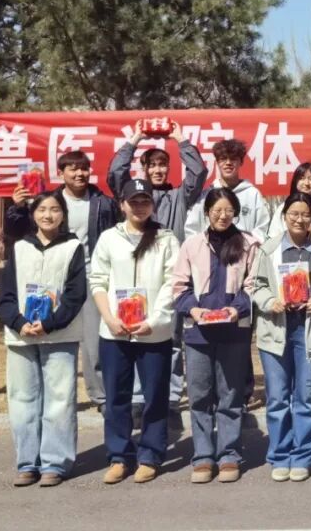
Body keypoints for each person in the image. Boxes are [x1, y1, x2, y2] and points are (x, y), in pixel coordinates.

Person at [108, 119, 208, 429]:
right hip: (137, 277)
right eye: (152, 165)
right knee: (137, 334)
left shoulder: (179, 196)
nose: (158, 170)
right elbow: (115, 174)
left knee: (172, 339)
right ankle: (139, 400)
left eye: (163, 164)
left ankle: (171, 401)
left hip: (170, 277)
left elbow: (198, 173)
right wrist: (135, 138)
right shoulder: (132, 197)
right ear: (144, 168)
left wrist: (180, 140)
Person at [5, 150, 119, 412]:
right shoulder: (48, 201)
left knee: (93, 342)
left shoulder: (103, 202)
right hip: (53, 279)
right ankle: (52, 396)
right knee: (51, 335)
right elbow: (18, 232)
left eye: (84, 168)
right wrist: (17, 207)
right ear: (61, 173)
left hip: (91, 277)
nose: (79, 173)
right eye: (73, 168)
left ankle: (100, 396)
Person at [89, 179, 179, 484]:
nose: (139, 207)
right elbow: (98, 281)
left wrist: (154, 319)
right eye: (134, 201)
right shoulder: (108, 238)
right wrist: (109, 318)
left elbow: (172, 283)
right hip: (115, 332)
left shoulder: (166, 239)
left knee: (155, 395)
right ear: (122, 205)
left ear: (152, 204)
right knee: (117, 396)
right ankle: (119, 456)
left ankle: (150, 455)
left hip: (153, 332)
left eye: (145, 201)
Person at [0, 192, 88, 487]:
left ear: (63, 215)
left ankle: (54, 464)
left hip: (60, 335)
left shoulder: (73, 247)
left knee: (59, 401)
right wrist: (19, 322)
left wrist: (49, 324)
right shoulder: (19, 247)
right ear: (33, 214)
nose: (48, 215)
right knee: (23, 400)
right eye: (42, 210)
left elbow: (76, 295)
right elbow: (6, 294)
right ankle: (27, 462)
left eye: (55, 209)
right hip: (21, 336)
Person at [172, 188, 261, 484]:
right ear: (207, 212)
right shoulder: (192, 245)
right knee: (199, 395)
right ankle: (203, 456)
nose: (223, 216)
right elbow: (179, 286)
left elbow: (253, 284)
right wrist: (193, 309)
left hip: (234, 331)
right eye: (217, 210)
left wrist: (237, 308)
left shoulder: (248, 244)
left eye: (228, 210)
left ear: (236, 212)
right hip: (198, 333)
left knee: (230, 394)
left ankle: (229, 454)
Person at [253, 192, 311, 482]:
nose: (300, 219)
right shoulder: (269, 248)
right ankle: (279, 455)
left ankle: (303, 456)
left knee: (306, 395)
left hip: (309, 328)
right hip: (276, 328)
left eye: (305, 215)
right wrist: (270, 301)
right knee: (277, 397)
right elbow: (256, 285)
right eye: (294, 214)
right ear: (284, 216)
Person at [184, 139, 270, 241]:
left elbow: (262, 229)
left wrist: (246, 245)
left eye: (233, 159)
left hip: (244, 249)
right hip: (210, 249)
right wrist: (204, 247)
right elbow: (192, 230)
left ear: (241, 162)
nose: (228, 163)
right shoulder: (206, 195)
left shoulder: (253, 194)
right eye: (223, 159)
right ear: (217, 162)